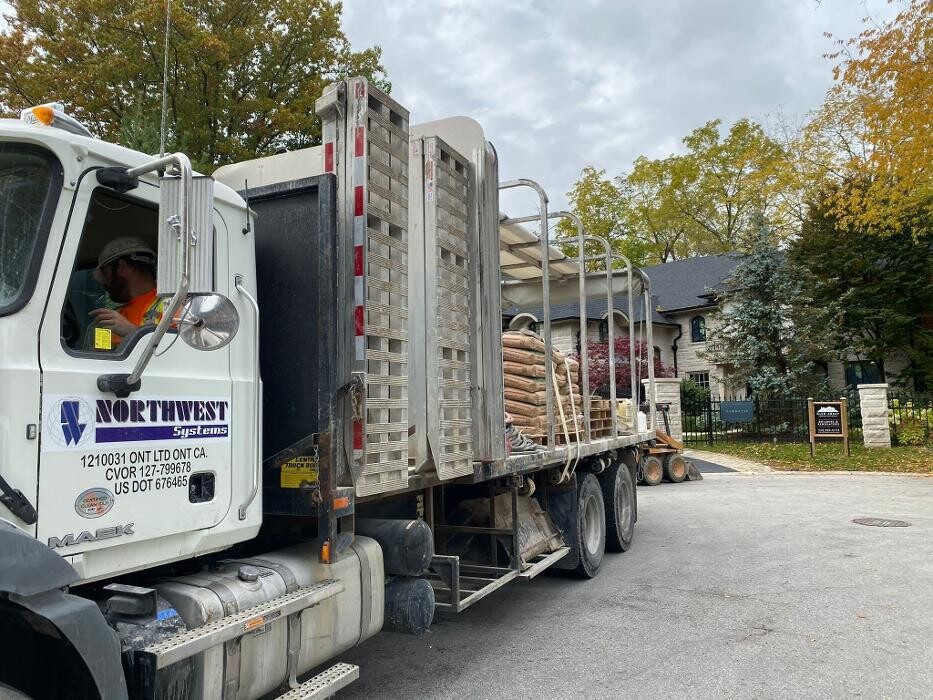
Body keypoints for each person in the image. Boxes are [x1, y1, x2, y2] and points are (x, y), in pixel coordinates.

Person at [85, 237, 162, 351]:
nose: (105, 285)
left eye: (106, 274)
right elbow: (100, 361)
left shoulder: (174, 307)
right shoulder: (109, 319)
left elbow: (179, 357)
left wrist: (132, 333)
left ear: (122, 267)